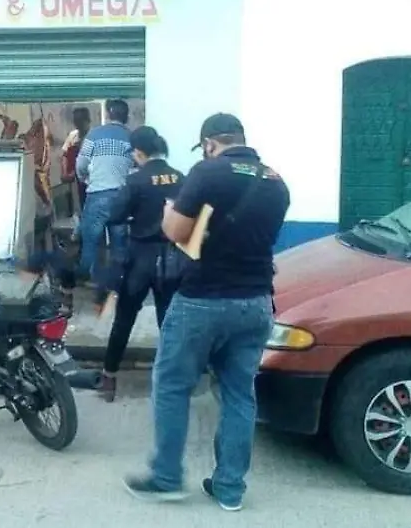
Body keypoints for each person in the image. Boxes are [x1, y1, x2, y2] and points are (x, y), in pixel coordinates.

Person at [124, 113, 290, 513]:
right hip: (256, 301)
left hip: (203, 299)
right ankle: (230, 488)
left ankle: (166, 478)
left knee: (172, 384)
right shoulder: (276, 181)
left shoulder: (207, 172)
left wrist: (169, 211)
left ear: (210, 144)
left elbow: (176, 232)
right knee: (238, 393)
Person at [97, 127, 185, 402]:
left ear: (138, 152)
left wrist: (133, 216)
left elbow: (114, 215)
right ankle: (171, 382)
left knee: (124, 318)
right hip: (172, 257)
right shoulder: (180, 178)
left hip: (140, 259)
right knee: (168, 322)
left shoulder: (136, 181)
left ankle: (109, 378)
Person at [75, 100, 134, 299]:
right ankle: (117, 284)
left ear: (108, 114)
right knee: (119, 243)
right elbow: (135, 168)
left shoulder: (94, 134)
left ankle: (91, 284)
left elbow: (81, 164)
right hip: (121, 196)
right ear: (127, 116)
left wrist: (85, 179)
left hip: (97, 194)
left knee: (91, 241)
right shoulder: (131, 137)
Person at [60, 107, 92, 210]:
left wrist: (74, 172)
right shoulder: (73, 135)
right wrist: (64, 172)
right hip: (76, 179)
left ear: (87, 120)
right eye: (75, 121)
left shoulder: (93, 136)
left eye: (80, 121)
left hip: (91, 178)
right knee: (80, 204)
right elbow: (65, 155)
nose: (77, 124)